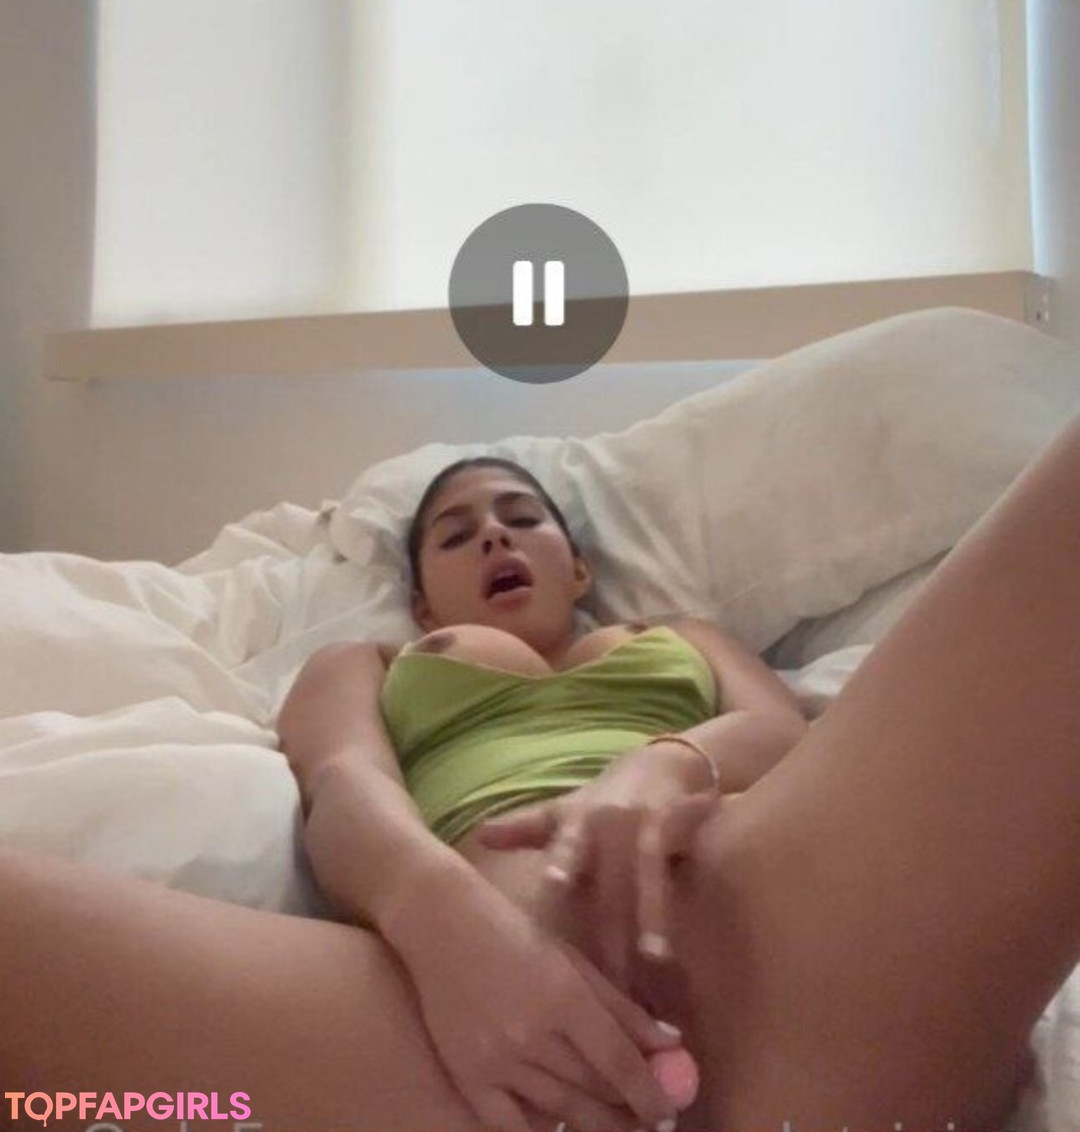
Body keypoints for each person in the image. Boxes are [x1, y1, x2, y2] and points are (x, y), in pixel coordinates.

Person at [3, 416, 1080, 1132]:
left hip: (787, 949)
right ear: (420, 600)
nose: (494, 537)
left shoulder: (681, 634)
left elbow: (781, 733)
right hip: (455, 1035)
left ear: (578, 565)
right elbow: (342, 785)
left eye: (522, 518)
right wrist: (450, 929)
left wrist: (663, 767)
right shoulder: (365, 661)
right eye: (455, 533)